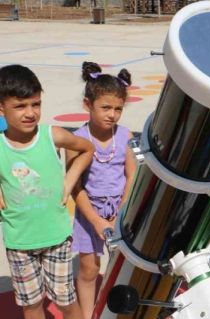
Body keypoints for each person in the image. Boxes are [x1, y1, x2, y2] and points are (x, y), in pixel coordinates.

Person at [0, 64, 94, 319]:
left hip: (57, 239)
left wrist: (70, 179)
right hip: (19, 243)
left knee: (65, 302)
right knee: (31, 306)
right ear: (1, 108)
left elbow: (87, 149)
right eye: (20, 106)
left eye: (36, 104)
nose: (30, 113)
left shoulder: (52, 135)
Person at [69, 62, 136, 319]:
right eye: (105, 107)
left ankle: (118, 312)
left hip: (121, 210)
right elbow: (76, 187)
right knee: (88, 268)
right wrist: (96, 220)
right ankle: (88, 315)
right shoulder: (77, 139)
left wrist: (120, 212)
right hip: (89, 214)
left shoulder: (125, 135)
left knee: (122, 265)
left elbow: (132, 176)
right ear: (88, 104)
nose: (112, 115)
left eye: (118, 109)